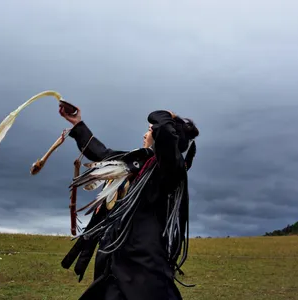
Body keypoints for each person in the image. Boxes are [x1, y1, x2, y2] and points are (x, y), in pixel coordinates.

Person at [60, 104, 199, 300]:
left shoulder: (170, 168)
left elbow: (162, 126)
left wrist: (168, 116)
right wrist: (78, 124)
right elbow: (102, 153)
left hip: (144, 268)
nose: (145, 134)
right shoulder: (136, 163)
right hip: (114, 261)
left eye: (150, 131)